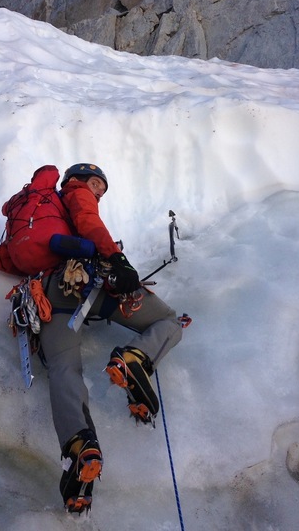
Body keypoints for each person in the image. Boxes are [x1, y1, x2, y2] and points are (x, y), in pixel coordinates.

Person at [38, 163, 184, 513]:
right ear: (77, 179)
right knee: (168, 321)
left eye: (101, 189)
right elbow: (89, 220)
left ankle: (80, 446)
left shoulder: (43, 215)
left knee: (63, 368)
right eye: (95, 183)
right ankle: (134, 358)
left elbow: (2, 260)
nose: (98, 192)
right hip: (94, 285)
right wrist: (117, 258)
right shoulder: (76, 194)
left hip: (50, 296)